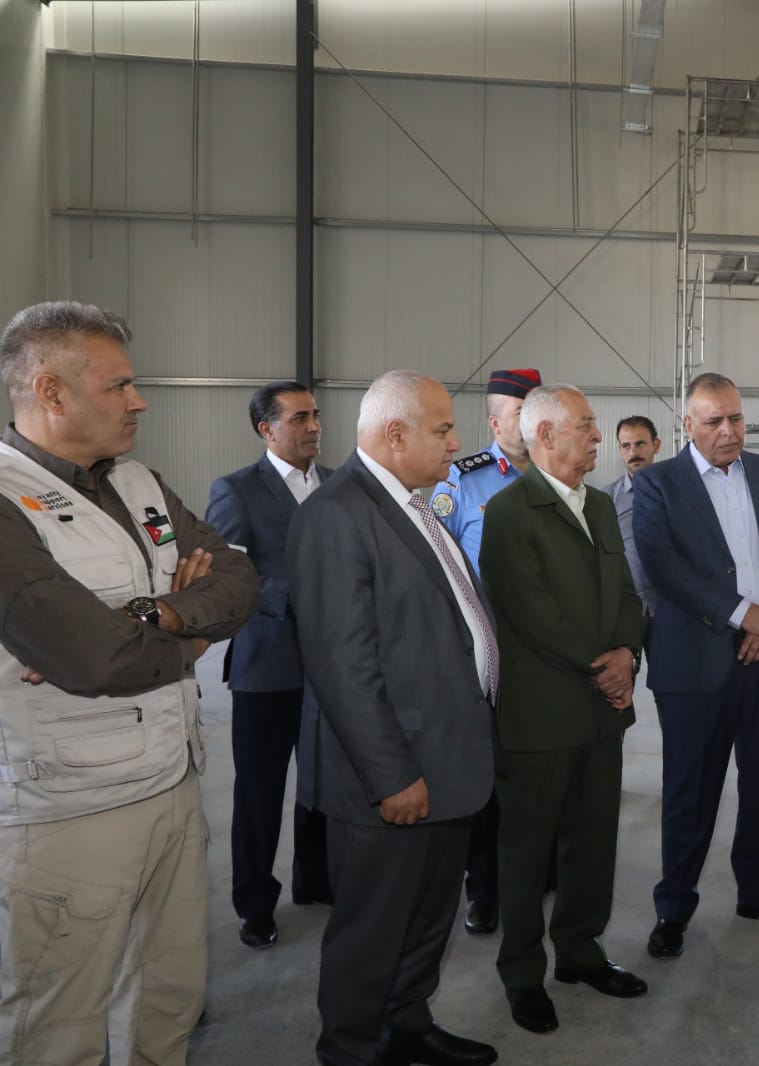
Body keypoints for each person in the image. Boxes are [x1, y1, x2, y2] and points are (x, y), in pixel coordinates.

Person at [0, 300, 257, 1063]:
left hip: (174, 784)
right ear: (50, 391)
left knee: (166, 1000)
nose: (138, 401)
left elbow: (240, 580)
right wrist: (190, 633)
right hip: (70, 812)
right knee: (57, 1026)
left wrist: (158, 615)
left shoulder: (139, 482)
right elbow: (95, 659)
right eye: (119, 386)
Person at [289, 370, 498, 1066]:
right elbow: (342, 667)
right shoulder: (337, 514)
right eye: (443, 429)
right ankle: (350, 1048)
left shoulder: (414, 505)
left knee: (428, 917)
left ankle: (407, 1022)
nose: (455, 442)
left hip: (447, 761)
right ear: (396, 434)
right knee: (372, 930)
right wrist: (391, 776)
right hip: (392, 775)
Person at [478, 384, 647, 1035]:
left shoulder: (600, 505)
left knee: (593, 842)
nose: (598, 436)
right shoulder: (508, 511)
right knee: (526, 852)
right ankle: (522, 973)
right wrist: (604, 667)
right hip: (541, 714)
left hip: (602, 711)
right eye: (586, 425)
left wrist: (627, 653)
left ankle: (579, 950)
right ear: (545, 434)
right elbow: (530, 614)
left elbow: (627, 593)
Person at [633, 371, 759, 960]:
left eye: (735, 418)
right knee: (690, 790)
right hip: (696, 665)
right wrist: (744, 616)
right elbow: (665, 567)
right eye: (713, 421)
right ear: (687, 425)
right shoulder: (658, 484)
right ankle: (674, 908)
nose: (728, 431)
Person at [206, 381, 335, 950]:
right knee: (259, 791)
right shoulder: (236, 491)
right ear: (267, 429)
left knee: (324, 780)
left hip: (333, 666)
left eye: (315, 415)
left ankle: (317, 880)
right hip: (267, 665)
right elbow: (227, 579)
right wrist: (301, 593)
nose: (314, 426)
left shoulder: (337, 485)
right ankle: (255, 903)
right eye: (300, 417)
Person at [429, 366, 541, 937]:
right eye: (521, 413)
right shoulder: (463, 480)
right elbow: (440, 566)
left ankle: (538, 874)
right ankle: (484, 890)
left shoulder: (559, 472)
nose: (532, 422)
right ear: (496, 423)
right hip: (491, 654)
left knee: (541, 773)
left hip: (549, 656)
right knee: (490, 781)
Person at [601, 414, 662, 620]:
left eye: (640, 444)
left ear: (656, 445)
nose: (633, 452)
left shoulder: (678, 493)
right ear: (620, 450)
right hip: (626, 609)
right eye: (626, 446)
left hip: (672, 608)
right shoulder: (605, 500)